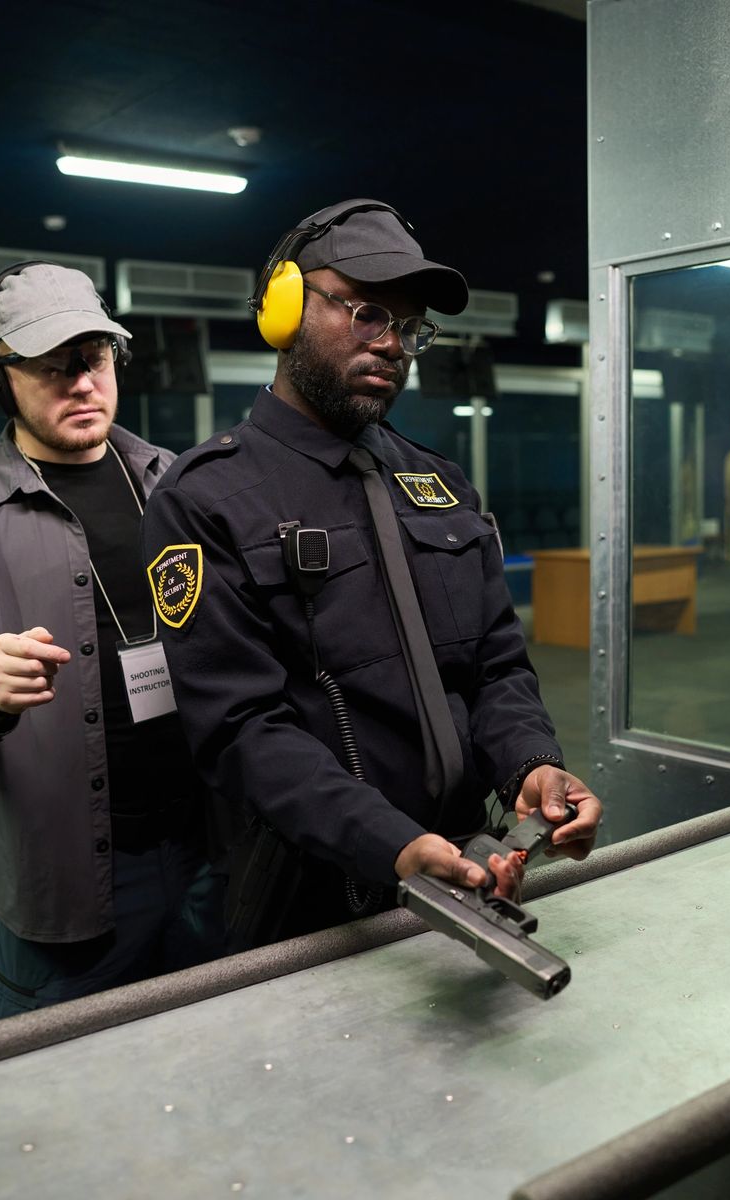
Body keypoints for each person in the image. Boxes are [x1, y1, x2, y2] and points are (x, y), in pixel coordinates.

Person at [142, 199, 602, 944]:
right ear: (285, 309)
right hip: (309, 887)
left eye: (409, 326)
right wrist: (390, 843)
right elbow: (241, 728)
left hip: (467, 861)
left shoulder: (442, 483)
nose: (392, 344)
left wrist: (530, 767)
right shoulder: (205, 500)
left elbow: (496, 668)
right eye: (365, 314)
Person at [0, 261, 229, 1020]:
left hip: (207, 856)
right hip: (64, 885)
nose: (81, 383)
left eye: (95, 359)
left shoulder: (174, 482)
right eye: (51, 367)